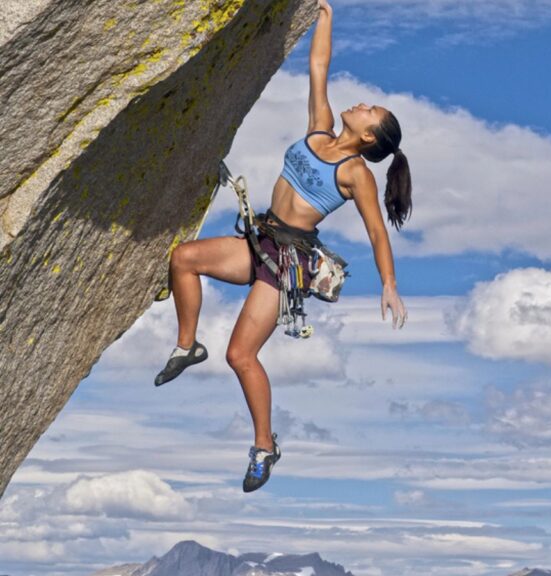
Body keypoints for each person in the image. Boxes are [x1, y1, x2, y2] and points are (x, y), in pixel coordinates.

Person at [154, 0, 410, 493]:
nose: (359, 104)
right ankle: (187, 346)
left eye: (368, 110)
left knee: (241, 356)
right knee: (183, 259)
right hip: (259, 238)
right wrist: (325, 18)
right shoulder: (320, 127)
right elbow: (318, 69)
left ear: (370, 134)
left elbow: (377, 232)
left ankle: (264, 446)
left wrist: (390, 285)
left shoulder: (355, 174)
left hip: (286, 266)